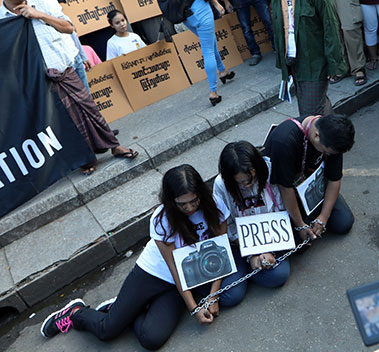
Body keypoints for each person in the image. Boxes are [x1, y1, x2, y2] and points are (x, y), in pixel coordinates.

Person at [39, 165, 233, 349]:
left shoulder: (215, 205)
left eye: (194, 200)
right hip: (153, 273)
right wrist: (193, 308)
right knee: (107, 330)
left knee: (152, 339)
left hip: (182, 283)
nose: (190, 208)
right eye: (182, 204)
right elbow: (174, 267)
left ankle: (127, 307)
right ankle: (76, 313)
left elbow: (219, 252)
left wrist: (213, 296)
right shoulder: (162, 219)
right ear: (171, 200)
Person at [0, 0, 137, 175]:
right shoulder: (3, 22)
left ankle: (114, 146)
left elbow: (68, 27)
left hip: (65, 67)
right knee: (66, 123)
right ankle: (86, 158)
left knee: (89, 109)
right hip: (40, 82)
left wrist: (38, 15)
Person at [264, 0, 348, 116]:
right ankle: (338, 134)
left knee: (308, 113)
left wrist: (334, 66)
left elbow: (331, 29)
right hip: (291, 61)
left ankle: (323, 140)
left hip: (314, 62)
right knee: (316, 104)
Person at [212, 141, 290, 305]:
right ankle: (249, 268)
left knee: (279, 275)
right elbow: (228, 226)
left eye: (250, 179)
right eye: (239, 182)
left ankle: (250, 270)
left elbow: (280, 209)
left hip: (272, 238)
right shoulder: (221, 185)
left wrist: (269, 251)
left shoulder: (268, 170)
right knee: (232, 296)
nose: (246, 185)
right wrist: (251, 254)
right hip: (239, 243)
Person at [263, 114, 355, 242]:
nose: (328, 155)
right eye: (326, 152)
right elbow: (285, 188)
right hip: (288, 192)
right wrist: (300, 225)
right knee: (298, 241)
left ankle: (313, 217)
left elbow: (334, 179)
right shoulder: (284, 141)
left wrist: (323, 217)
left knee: (344, 223)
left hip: (315, 188)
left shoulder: (333, 138)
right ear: (316, 135)